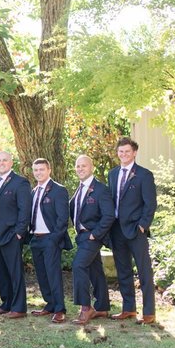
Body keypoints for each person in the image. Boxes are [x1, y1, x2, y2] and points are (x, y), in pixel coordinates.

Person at [108, 137, 157, 325]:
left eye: (127, 151)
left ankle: (149, 312)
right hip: (117, 230)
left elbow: (150, 204)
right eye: (121, 151)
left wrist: (143, 225)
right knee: (123, 271)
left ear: (134, 153)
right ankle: (128, 308)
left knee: (144, 271)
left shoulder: (144, 175)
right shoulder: (113, 174)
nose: (123, 154)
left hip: (136, 230)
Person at [70, 155, 115, 325]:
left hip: (92, 236)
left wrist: (95, 234)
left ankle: (86, 308)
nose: (80, 169)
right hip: (82, 236)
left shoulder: (100, 189)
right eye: (78, 166)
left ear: (92, 167)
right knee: (95, 270)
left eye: (84, 166)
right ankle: (102, 307)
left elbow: (109, 215)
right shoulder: (79, 189)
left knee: (78, 265)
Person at [28, 158, 71, 324]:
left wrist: (54, 238)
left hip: (50, 239)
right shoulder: (33, 192)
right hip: (36, 238)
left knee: (53, 274)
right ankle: (50, 303)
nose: (38, 173)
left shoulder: (58, 190)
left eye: (42, 169)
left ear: (49, 170)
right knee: (42, 274)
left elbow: (63, 218)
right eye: (36, 170)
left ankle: (60, 309)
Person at [0, 151, 31, 318]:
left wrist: (19, 233)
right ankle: (6, 303)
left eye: (5, 160)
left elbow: (25, 210)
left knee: (15, 273)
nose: (1, 163)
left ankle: (19, 307)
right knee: (1, 272)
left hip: (11, 235)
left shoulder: (20, 182)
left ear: (11, 162)